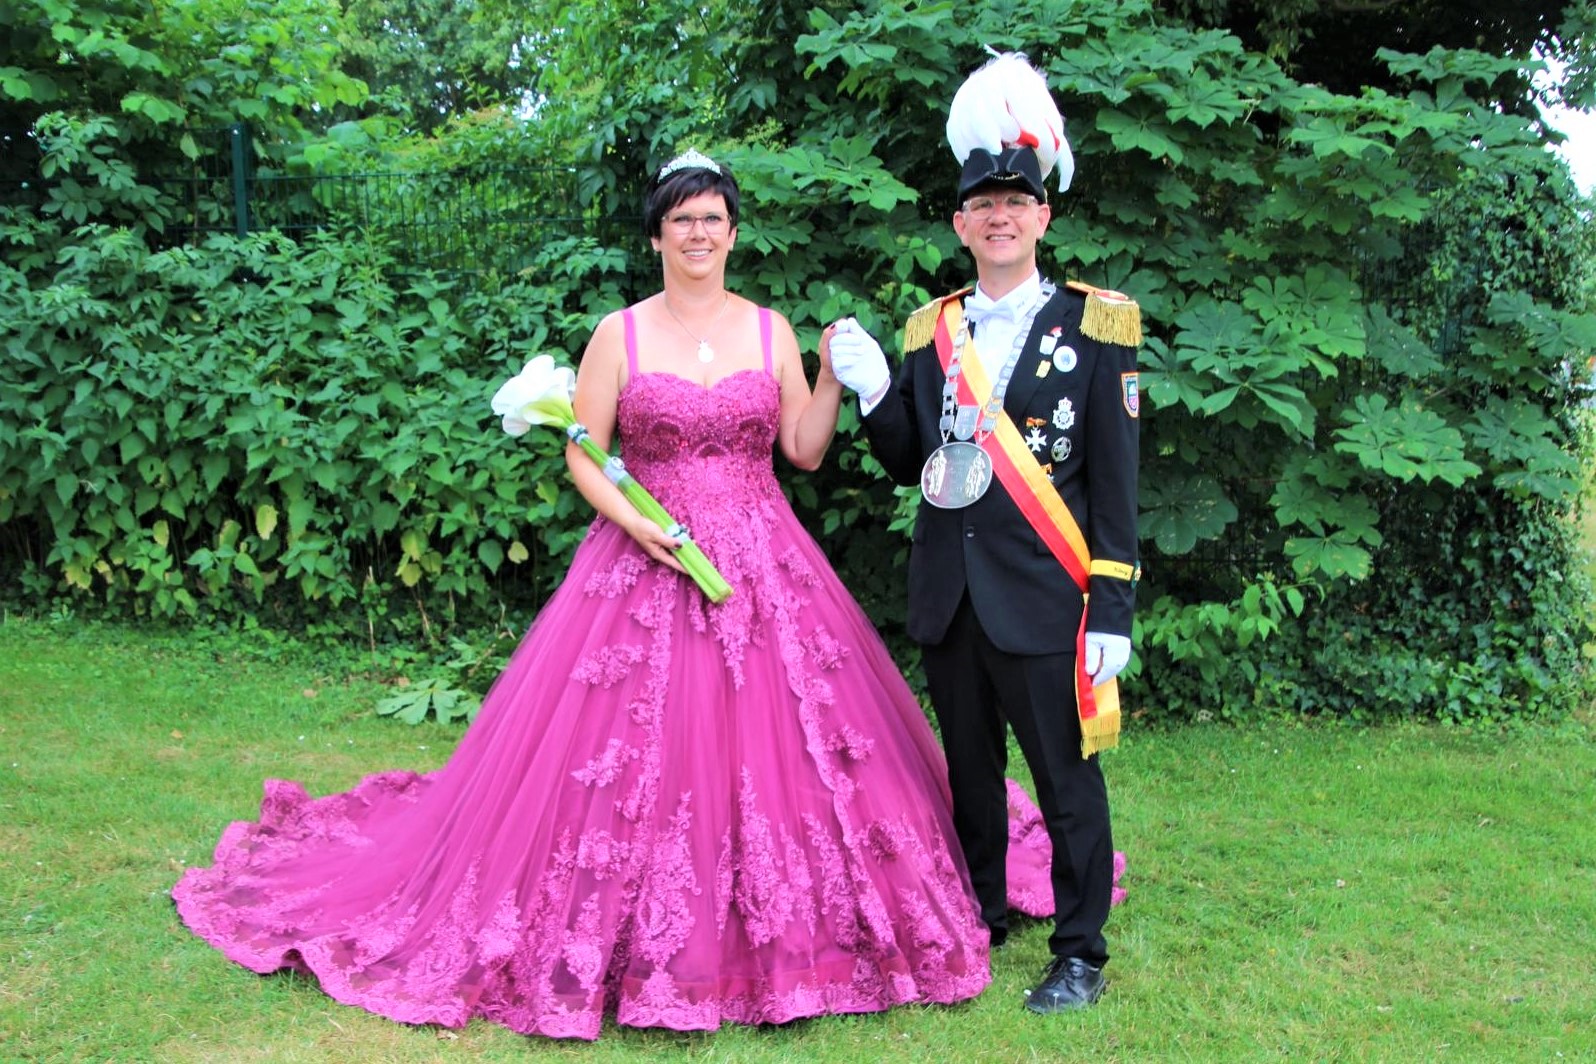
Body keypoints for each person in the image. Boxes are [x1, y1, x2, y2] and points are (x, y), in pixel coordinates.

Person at [172, 149, 1061, 1041]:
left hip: (764, 564)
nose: (699, 233)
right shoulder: (619, 335)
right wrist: (636, 522)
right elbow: (585, 452)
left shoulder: (768, 330)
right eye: (682, 220)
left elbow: (802, 450)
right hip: (643, 560)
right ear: (657, 237)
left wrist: (830, 377)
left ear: (734, 233)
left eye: (713, 219)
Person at [828, 53, 1142, 1013]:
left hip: (1045, 595)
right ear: (961, 224)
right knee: (970, 774)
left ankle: (1080, 949)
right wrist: (876, 395)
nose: (999, 216)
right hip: (950, 594)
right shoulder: (932, 331)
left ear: (1043, 217)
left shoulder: (1099, 326)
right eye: (982, 205)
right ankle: (981, 912)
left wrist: (1112, 609)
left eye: (1016, 201)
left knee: (1066, 780)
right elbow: (912, 459)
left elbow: (1116, 484)